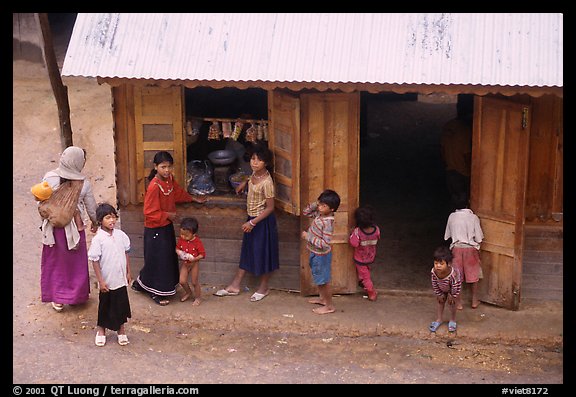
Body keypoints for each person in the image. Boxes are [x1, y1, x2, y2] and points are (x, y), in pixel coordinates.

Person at [132, 151, 207, 306]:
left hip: (165, 226)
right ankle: (156, 293)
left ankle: (141, 284)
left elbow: (177, 193)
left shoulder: (169, 180)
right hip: (154, 229)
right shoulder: (154, 186)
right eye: (163, 167)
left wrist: (192, 198)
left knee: (165, 258)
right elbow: (149, 212)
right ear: (156, 167)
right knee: (158, 260)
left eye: (169, 167)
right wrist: (168, 215)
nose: (167, 170)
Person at [214, 143, 280, 302]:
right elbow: (252, 178)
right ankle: (235, 285)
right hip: (251, 219)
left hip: (262, 222)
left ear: (267, 163)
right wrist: (245, 182)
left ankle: (264, 288)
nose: (254, 163)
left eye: (258, 160)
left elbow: (270, 208)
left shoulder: (267, 183)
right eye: (252, 159)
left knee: (264, 254)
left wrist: (253, 223)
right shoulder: (254, 175)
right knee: (247, 251)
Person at [39, 146, 99, 312]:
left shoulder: (49, 177)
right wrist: (95, 222)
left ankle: (57, 298)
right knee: (75, 263)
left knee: (55, 261)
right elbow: (91, 207)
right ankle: (75, 296)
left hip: (53, 228)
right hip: (75, 229)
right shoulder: (84, 183)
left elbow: (40, 201)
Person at [88, 203, 132, 347]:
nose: (112, 220)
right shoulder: (98, 239)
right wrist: (101, 281)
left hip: (120, 278)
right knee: (105, 305)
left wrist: (128, 271)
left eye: (113, 217)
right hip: (107, 279)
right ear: (100, 220)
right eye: (108, 218)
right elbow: (95, 261)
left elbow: (126, 253)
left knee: (121, 304)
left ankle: (121, 330)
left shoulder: (120, 235)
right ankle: (101, 330)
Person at [301, 189, 341, 315]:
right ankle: (323, 299)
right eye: (320, 204)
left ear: (332, 209)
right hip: (315, 252)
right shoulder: (320, 214)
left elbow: (325, 243)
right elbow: (306, 212)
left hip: (321, 255)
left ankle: (329, 306)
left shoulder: (327, 222)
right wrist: (317, 203)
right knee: (319, 278)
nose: (320, 207)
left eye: (324, 206)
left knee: (323, 281)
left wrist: (308, 237)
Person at [444, 196, 484, 310]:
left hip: (456, 248)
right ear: (468, 204)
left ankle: (459, 303)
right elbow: (479, 237)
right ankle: (474, 301)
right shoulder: (473, 217)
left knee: (457, 276)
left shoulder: (452, 216)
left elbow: (448, 235)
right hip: (470, 249)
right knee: (474, 275)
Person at [440, 94, 474, 211]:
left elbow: (443, 149)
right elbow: (467, 154)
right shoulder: (465, 131)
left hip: (450, 170)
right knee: (465, 202)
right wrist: (472, 173)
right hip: (463, 172)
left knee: (454, 200)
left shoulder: (448, 126)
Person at [349, 205, 381, 301]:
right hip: (370, 255)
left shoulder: (358, 232)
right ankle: (361, 281)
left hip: (360, 258)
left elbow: (353, 243)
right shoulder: (376, 229)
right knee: (366, 269)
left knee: (365, 276)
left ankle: (371, 293)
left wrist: (351, 234)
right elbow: (378, 237)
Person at [429, 245, 462, 333]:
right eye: (436, 263)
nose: (438, 266)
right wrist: (439, 294)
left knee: (452, 304)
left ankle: (452, 320)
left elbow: (456, 286)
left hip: (453, 289)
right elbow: (434, 283)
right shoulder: (434, 272)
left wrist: (452, 295)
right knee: (440, 302)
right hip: (441, 288)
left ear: (449, 264)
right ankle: (439, 319)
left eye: (441, 264)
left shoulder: (453, 274)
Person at [176, 217, 206, 305]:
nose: (183, 237)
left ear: (194, 234)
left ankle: (198, 297)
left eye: (186, 235)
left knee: (194, 282)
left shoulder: (197, 242)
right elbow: (177, 248)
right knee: (182, 281)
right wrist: (180, 253)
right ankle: (188, 292)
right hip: (185, 263)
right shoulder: (181, 240)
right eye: (181, 234)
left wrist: (194, 258)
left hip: (194, 264)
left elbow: (202, 254)